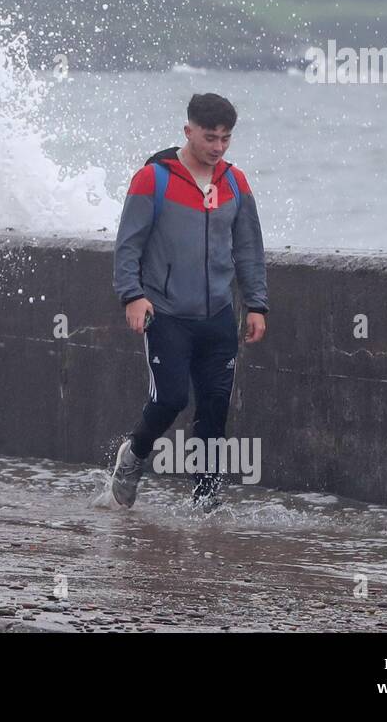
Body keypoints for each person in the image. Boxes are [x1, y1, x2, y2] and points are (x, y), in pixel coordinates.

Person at [111, 92, 268, 510]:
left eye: (226, 139)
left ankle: (206, 499)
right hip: (165, 314)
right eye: (210, 137)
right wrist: (133, 295)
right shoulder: (154, 179)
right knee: (171, 400)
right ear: (189, 131)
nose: (218, 148)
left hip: (218, 315)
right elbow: (128, 246)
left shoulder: (235, 182)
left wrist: (256, 304)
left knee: (215, 409)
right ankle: (134, 456)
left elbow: (249, 248)